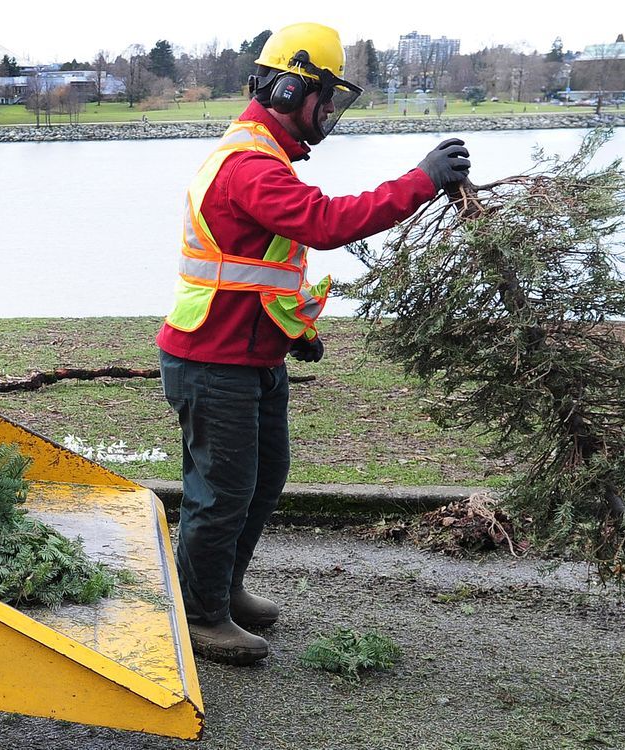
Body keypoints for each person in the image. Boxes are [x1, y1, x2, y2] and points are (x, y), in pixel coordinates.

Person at [156, 22, 471, 665]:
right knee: (221, 489)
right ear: (290, 89)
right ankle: (201, 614)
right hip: (213, 360)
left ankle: (222, 588)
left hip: (249, 354)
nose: (330, 113)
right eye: (327, 98)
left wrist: (294, 331)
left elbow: (262, 269)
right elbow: (326, 223)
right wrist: (420, 180)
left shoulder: (266, 158)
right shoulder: (249, 166)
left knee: (264, 478)